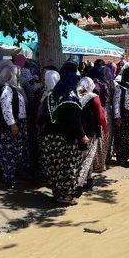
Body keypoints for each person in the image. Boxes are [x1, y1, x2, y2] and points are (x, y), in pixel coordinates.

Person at [40, 62, 89, 205]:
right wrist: (82, 135)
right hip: (65, 139)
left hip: (49, 137)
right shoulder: (71, 98)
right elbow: (74, 119)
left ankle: (57, 193)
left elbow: (42, 117)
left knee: (55, 166)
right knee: (68, 167)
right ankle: (65, 196)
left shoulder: (50, 96)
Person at [0, 62, 29, 189]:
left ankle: (15, 175)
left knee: (16, 151)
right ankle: (9, 178)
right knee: (8, 153)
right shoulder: (6, 90)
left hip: (17, 123)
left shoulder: (14, 88)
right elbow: (6, 108)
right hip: (11, 126)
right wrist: (12, 124)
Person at [78, 77, 107, 190]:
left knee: (81, 156)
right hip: (91, 131)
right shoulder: (93, 98)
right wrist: (105, 128)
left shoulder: (75, 96)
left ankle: (88, 179)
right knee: (89, 156)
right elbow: (100, 116)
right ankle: (80, 182)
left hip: (78, 131)